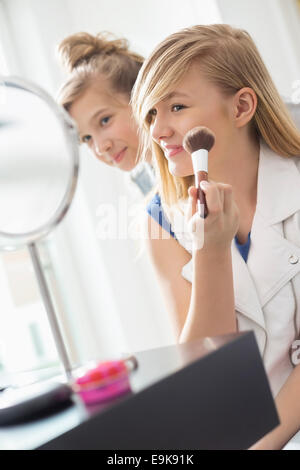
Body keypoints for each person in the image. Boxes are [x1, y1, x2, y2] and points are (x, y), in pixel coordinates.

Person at [131, 24, 300, 449]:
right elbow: (204, 371)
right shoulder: (161, 219)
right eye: (152, 113)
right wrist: (211, 253)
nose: (158, 131)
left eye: (177, 107)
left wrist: (263, 445)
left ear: (241, 106)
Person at [56, 32, 155, 195]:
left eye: (104, 121)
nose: (101, 148)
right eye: (86, 138)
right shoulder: (142, 180)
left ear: (142, 97)